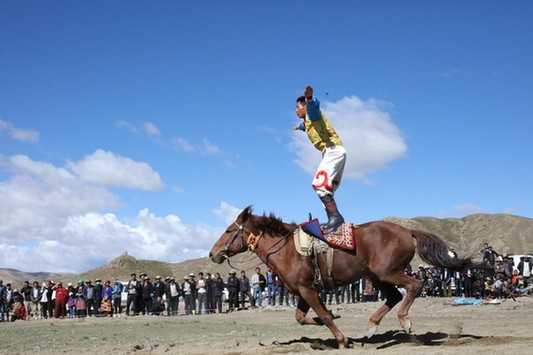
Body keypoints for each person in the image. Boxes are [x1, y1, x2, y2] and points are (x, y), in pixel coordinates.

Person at [294, 85, 346, 231]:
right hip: (335, 152)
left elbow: (314, 107)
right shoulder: (306, 121)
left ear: (304, 107)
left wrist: (309, 98)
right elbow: (305, 126)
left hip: (333, 151)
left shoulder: (312, 113)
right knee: (327, 191)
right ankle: (334, 220)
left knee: (319, 184)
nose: (296, 110)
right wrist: (298, 127)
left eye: (298, 107)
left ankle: (336, 218)